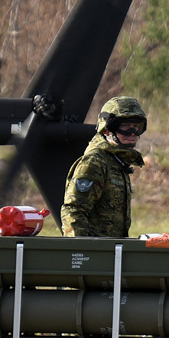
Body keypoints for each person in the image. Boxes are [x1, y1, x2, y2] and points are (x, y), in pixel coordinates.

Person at [61, 96, 147, 238]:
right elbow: (74, 210)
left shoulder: (118, 162)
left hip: (113, 251)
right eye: (125, 126)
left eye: (137, 126)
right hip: (96, 252)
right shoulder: (95, 163)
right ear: (107, 130)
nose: (132, 132)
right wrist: (80, 251)